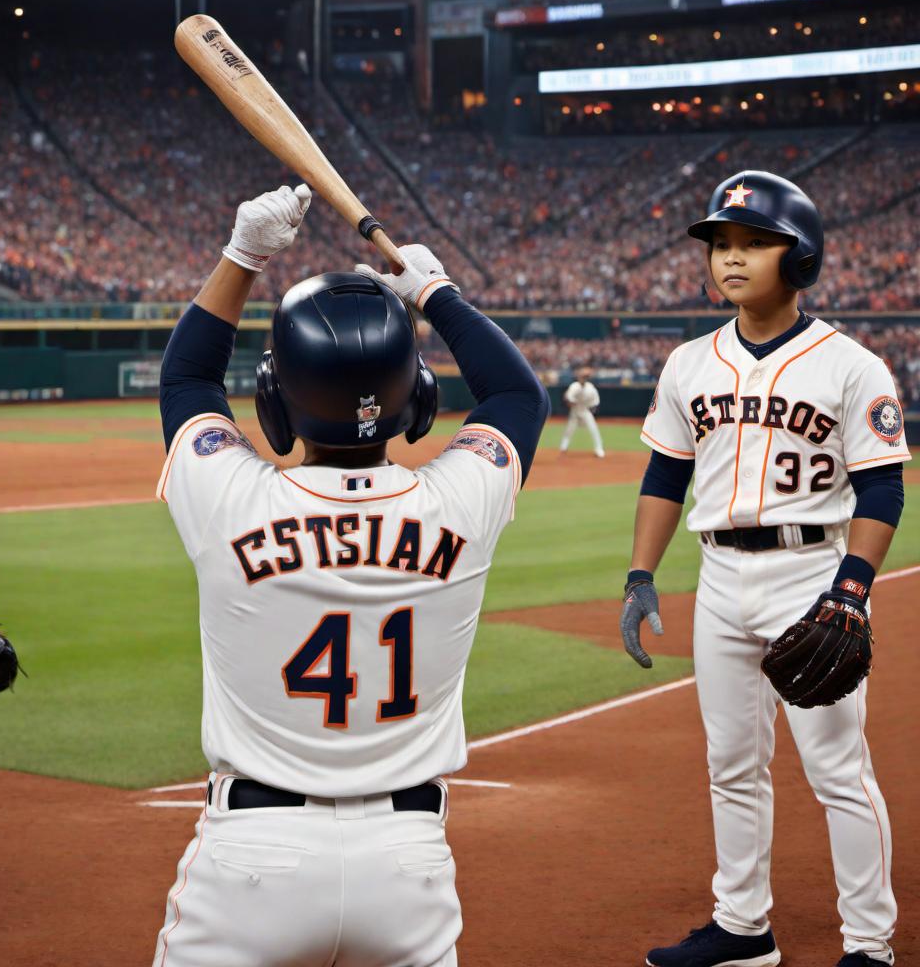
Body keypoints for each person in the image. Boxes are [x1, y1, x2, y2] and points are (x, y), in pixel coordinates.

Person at [153, 184, 548, 966]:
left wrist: (244, 256)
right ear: (422, 402)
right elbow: (516, 396)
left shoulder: (228, 496)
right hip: (409, 865)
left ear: (274, 405)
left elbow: (187, 382)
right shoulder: (460, 503)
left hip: (250, 862)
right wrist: (433, 291)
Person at [619, 171, 907, 967]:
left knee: (838, 771)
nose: (731, 259)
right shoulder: (689, 364)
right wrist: (641, 574)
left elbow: (883, 485)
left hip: (811, 572)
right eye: (720, 245)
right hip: (718, 580)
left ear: (800, 257)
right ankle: (743, 928)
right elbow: (665, 476)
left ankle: (869, 945)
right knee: (731, 765)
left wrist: (852, 586)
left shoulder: (850, 365)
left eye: (753, 243)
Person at [559, 365, 605, 458]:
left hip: (585, 411)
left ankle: (599, 449)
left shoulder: (590, 387)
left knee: (594, 429)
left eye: (585, 377)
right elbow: (567, 398)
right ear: (579, 378)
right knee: (569, 430)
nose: (583, 379)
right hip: (575, 411)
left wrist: (593, 408)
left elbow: (595, 401)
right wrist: (569, 402)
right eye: (582, 377)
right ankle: (563, 448)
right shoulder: (574, 386)